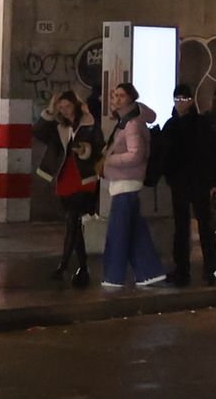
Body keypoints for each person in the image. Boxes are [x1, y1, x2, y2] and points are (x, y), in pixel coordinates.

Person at [159, 81, 216, 285]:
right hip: (183, 182)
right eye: (177, 99)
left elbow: (214, 152)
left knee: (203, 225)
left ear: (190, 101)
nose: (180, 103)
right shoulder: (175, 125)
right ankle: (186, 269)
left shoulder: (199, 124)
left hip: (197, 181)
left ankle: (208, 269)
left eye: (184, 99)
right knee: (183, 227)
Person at [100, 96, 164, 289]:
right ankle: (150, 272)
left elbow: (135, 155)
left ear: (130, 100)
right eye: (114, 96)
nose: (114, 99)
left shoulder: (132, 125)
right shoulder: (125, 124)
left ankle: (113, 276)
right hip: (124, 182)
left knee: (118, 233)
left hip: (126, 183)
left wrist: (108, 160)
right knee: (136, 231)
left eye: (119, 96)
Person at [43, 88, 100, 286]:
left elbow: (98, 146)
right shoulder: (60, 126)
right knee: (73, 223)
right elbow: (38, 132)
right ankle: (83, 268)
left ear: (74, 105)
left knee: (72, 220)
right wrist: (49, 111)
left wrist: (86, 150)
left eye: (67, 106)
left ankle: (63, 265)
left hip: (83, 178)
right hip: (65, 177)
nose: (65, 110)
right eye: (61, 107)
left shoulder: (89, 123)